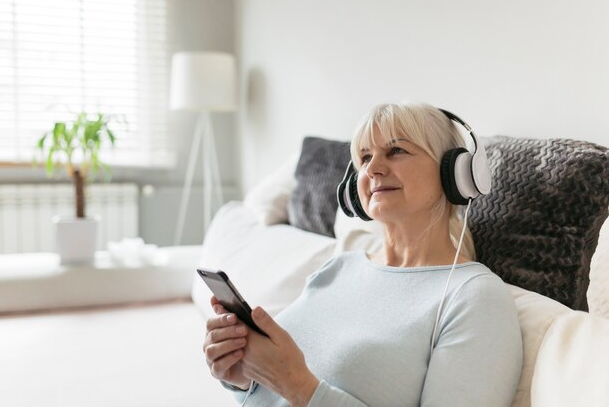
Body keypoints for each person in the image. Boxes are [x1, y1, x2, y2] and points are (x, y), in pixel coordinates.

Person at [203, 103, 523, 407]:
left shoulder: (475, 297)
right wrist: (244, 378)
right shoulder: (339, 267)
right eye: (365, 157)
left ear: (453, 172)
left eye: (397, 150)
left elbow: (297, 385)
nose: (374, 169)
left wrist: (297, 385)